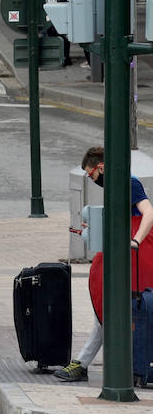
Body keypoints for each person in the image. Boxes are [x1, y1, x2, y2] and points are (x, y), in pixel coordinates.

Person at [55, 146, 153, 382]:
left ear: (101, 167)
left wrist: (135, 240)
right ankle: (84, 362)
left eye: (91, 175)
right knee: (112, 306)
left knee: (111, 305)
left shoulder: (130, 183)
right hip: (128, 252)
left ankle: (83, 363)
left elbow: (148, 213)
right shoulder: (117, 182)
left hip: (136, 253)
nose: (91, 180)